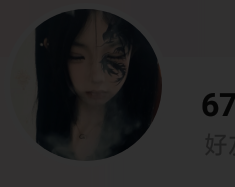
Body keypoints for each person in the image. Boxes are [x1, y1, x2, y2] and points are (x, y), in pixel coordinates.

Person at [35, 9, 160, 160]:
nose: (97, 77)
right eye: (77, 56)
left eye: (114, 55)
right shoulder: (46, 125)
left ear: (133, 51)